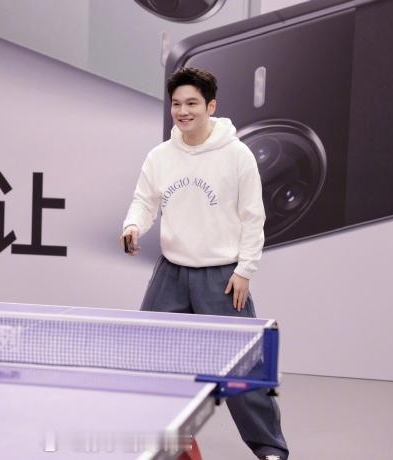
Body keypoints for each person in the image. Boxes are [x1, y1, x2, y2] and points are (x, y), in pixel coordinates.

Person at [121, 67, 289, 460]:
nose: (183, 111)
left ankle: (270, 448)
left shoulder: (237, 155)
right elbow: (145, 201)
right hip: (172, 273)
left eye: (192, 103)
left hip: (222, 277)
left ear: (211, 106)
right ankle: (164, 438)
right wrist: (133, 226)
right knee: (146, 357)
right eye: (177, 104)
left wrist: (245, 269)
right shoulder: (160, 156)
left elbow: (253, 217)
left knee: (242, 370)